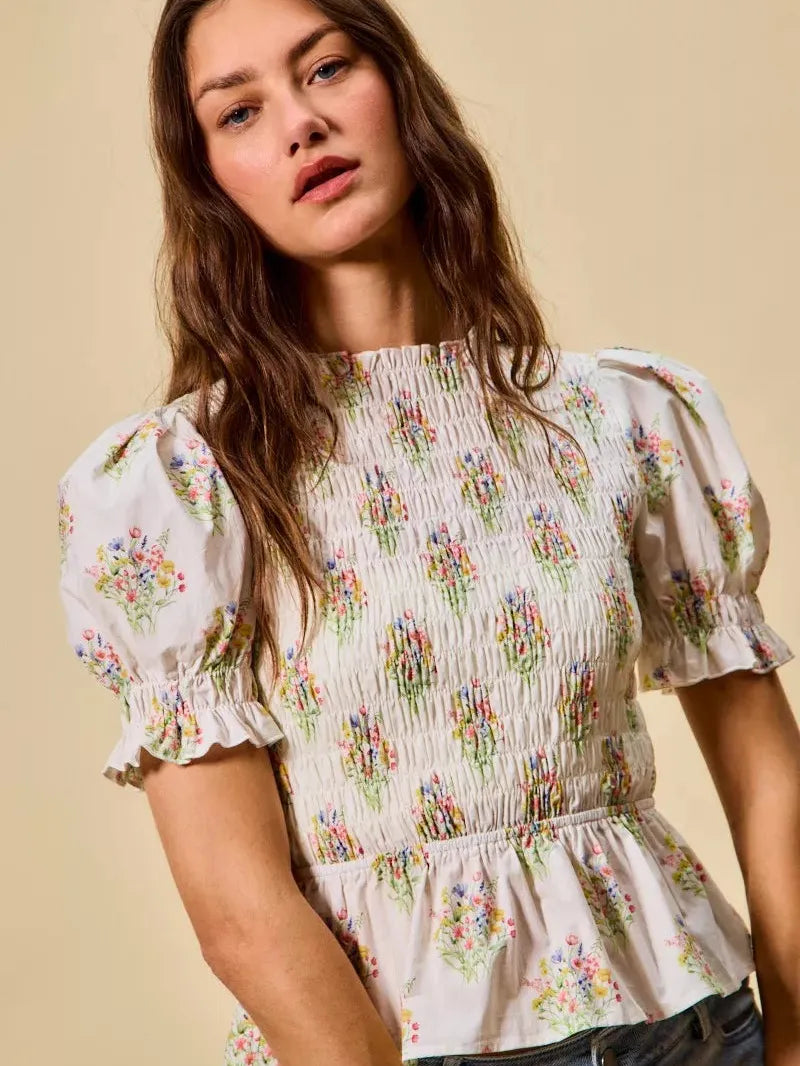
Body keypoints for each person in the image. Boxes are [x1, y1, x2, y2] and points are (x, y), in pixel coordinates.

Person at [55, 1, 800, 1064]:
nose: (300, 125)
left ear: (399, 87)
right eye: (239, 112)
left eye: (325, 69)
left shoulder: (624, 418)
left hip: (692, 1029)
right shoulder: (187, 483)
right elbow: (239, 909)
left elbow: (768, 778)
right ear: (210, 176)